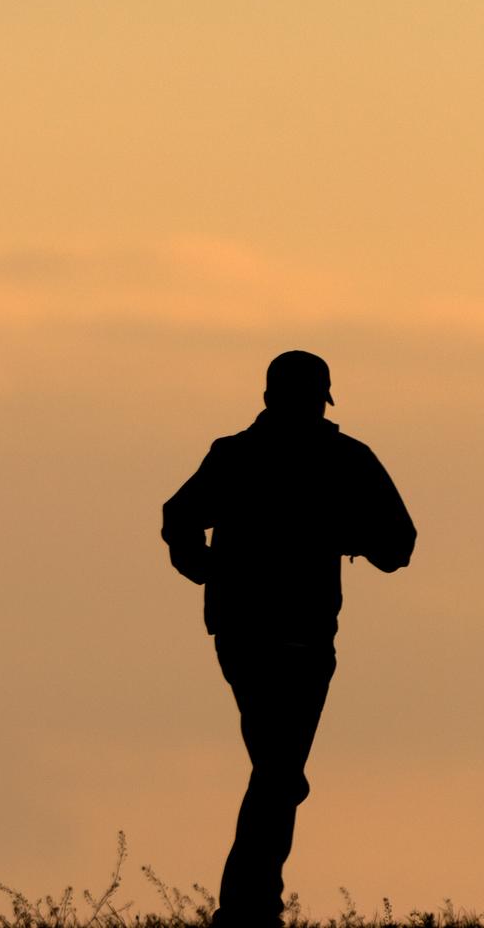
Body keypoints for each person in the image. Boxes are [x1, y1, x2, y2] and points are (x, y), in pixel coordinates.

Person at [162, 350, 415, 928]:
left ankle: (250, 909)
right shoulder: (342, 458)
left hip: (254, 633)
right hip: (285, 636)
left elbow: (396, 545)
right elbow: (397, 546)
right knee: (280, 771)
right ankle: (249, 909)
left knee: (276, 770)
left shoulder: (241, 456)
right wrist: (202, 565)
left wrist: (203, 565)